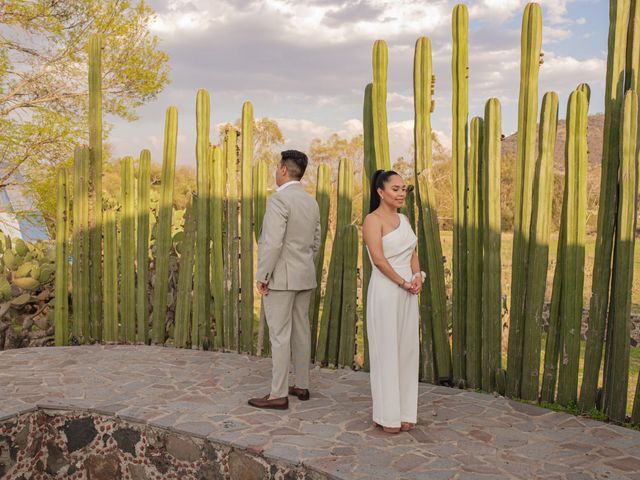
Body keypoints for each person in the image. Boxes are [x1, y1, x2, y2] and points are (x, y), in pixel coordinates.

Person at [249, 150, 321, 410]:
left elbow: (272, 242)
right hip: (304, 275)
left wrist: (263, 275)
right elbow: (315, 242)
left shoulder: (279, 200)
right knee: (301, 330)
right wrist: (303, 264)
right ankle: (302, 384)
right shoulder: (311, 202)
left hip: (281, 277)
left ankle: (278, 393)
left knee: (279, 335)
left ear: (282, 170)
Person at [362, 169, 423, 433]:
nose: (401, 194)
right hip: (387, 291)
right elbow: (378, 259)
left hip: (408, 292)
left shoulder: (405, 219)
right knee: (386, 351)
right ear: (380, 192)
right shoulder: (372, 221)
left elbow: (412, 252)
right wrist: (402, 282)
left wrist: (418, 276)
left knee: (407, 351)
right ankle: (387, 416)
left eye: (403, 189)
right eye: (395, 189)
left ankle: (406, 413)